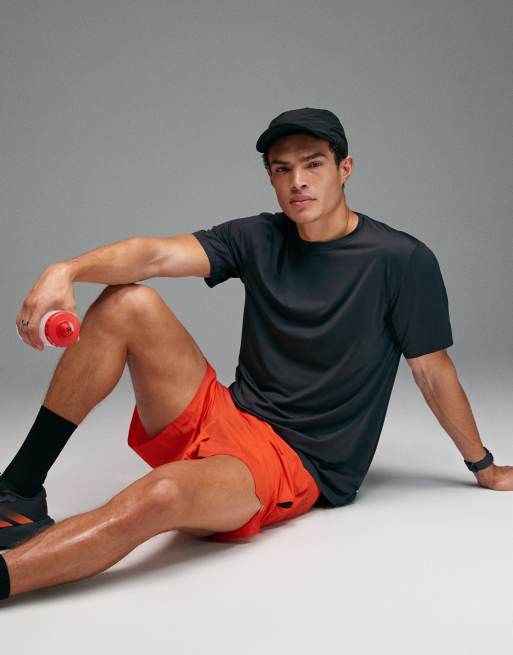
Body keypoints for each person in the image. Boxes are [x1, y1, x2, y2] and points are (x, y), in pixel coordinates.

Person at [0, 107, 510, 602]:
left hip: (292, 461)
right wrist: (64, 270)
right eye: (282, 170)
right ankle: (17, 493)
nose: (298, 182)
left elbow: (432, 371)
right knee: (127, 302)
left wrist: (482, 465)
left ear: (345, 169)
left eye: (313, 164)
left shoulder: (402, 260)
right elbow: (153, 254)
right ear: (270, 178)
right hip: (228, 413)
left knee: (161, 494)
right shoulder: (260, 236)